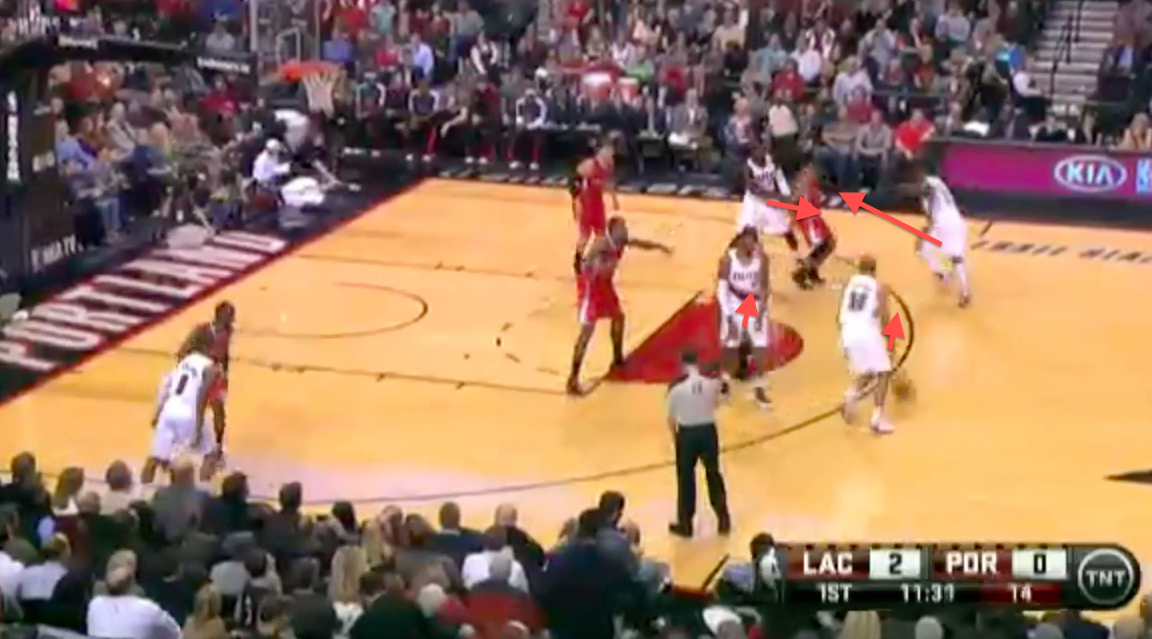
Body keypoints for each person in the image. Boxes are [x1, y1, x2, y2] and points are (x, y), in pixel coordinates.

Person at [566, 216, 670, 395]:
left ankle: (617, 358)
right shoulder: (602, 245)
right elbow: (585, 265)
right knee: (587, 333)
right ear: (612, 230)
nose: (625, 230)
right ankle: (572, 379)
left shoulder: (620, 241)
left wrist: (660, 247)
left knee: (619, 318)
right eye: (622, 228)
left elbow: (640, 243)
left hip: (606, 286)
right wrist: (596, 266)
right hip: (593, 289)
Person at [143, 326, 225, 484]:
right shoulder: (212, 368)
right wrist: (199, 427)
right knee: (211, 455)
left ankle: (142, 490)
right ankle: (203, 492)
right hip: (190, 413)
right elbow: (202, 397)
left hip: (169, 410)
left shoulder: (184, 361)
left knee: (154, 458)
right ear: (211, 343)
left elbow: (166, 387)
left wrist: (158, 413)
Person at [666, 349, 731, 538]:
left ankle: (685, 524)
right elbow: (721, 401)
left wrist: (676, 440)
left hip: (687, 433)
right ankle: (723, 518)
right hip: (708, 432)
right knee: (713, 474)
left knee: (685, 479)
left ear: (682, 364)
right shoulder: (711, 384)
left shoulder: (676, 388)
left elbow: (671, 419)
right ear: (698, 362)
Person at [178, 301, 235, 480]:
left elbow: (225, 355)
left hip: (216, 376)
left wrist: (225, 374)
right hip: (199, 374)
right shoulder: (201, 331)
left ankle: (218, 445)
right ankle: (195, 437)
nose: (232, 319)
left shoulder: (228, 332)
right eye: (229, 315)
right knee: (198, 408)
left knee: (219, 410)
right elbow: (183, 351)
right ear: (219, 316)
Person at [838, 255, 895, 434]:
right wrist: (891, 345)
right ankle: (877, 419)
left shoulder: (848, 284)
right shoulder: (879, 287)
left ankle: (850, 396)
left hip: (847, 330)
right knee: (884, 371)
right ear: (874, 270)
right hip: (866, 330)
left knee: (868, 371)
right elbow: (885, 318)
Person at [716, 227, 772, 409]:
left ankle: (759, 389)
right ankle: (724, 383)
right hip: (734, 301)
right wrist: (729, 317)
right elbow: (722, 290)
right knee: (731, 345)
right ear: (740, 241)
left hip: (753, 301)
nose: (753, 246)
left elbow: (765, 287)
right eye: (749, 241)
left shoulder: (761, 258)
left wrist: (761, 313)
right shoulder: (728, 259)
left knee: (760, 346)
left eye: (755, 242)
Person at [915, 164, 972, 307]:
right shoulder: (935, 184)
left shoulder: (929, 183)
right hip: (944, 222)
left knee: (955, 256)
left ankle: (965, 292)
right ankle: (945, 273)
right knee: (927, 249)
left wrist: (928, 225)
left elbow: (928, 191)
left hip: (947, 222)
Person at [737, 145, 801, 265]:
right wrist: (778, 196)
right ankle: (742, 255)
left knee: (785, 228)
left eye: (763, 149)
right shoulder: (748, 167)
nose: (762, 152)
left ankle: (798, 255)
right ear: (752, 152)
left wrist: (787, 196)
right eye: (757, 150)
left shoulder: (772, 161)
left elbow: (780, 179)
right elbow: (754, 191)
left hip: (771, 199)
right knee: (747, 229)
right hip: (754, 201)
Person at [572, 137, 619, 274]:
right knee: (585, 236)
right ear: (601, 151)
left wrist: (614, 198)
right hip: (586, 203)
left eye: (611, 151)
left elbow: (608, 183)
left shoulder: (608, 166)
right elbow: (575, 185)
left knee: (601, 235)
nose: (610, 153)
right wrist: (577, 204)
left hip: (597, 203)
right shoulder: (590, 165)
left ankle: (592, 261)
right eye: (608, 150)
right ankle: (578, 261)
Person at [790, 165, 836, 289]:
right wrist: (793, 217)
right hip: (808, 216)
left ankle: (811, 271)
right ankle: (800, 273)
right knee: (824, 245)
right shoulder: (805, 176)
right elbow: (794, 198)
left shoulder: (811, 176)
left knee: (829, 243)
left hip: (813, 215)